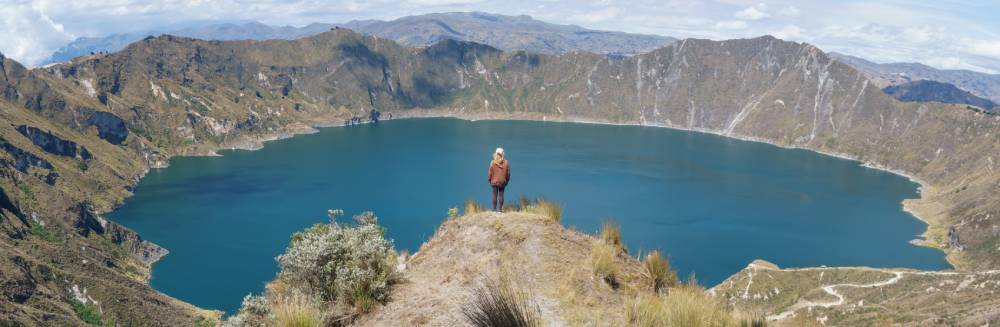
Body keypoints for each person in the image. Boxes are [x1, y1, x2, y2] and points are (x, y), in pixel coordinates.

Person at [488, 147, 510, 212]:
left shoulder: (492, 162)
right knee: (501, 195)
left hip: (494, 182)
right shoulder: (506, 162)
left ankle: (494, 209)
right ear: (503, 154)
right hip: (502, 182)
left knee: (494, 195)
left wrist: (489, 180)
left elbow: (490, 172)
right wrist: (507, 181)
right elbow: (508, 173)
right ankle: (500, 209)